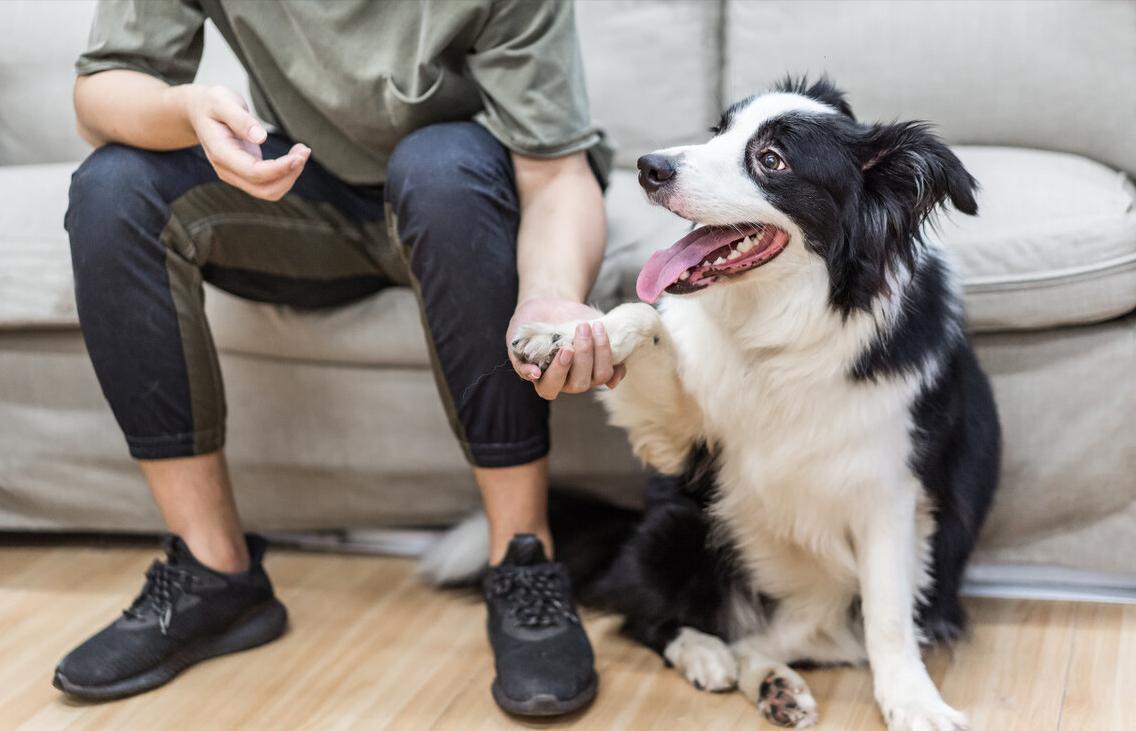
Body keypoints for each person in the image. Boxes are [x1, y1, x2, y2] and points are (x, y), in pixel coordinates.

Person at [55, 0, 617, 716]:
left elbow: (556, 174)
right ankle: (213, 571)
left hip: (470, 198)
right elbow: (100, 91)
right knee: (112, 189)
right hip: (306, 197)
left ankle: (524, 562)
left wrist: (548, 298)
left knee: (439, 163)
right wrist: (185, 108)